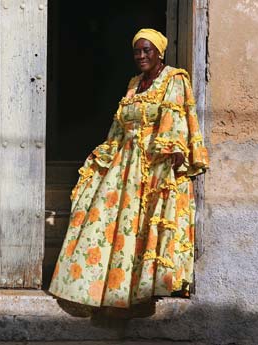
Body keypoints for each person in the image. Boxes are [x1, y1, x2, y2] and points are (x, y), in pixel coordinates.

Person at [48, 28, 209, 308]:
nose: (142, 55)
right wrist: (105, 153)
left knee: (145, 223)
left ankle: (141, 288)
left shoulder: (174, 78)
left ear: (160, 53)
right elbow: (120, 125)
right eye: (137, 50)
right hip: (126, 162)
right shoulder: (134, 84)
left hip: (155, 161)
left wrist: (173, 151)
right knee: (105, 218)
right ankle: (100, 287)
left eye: (148, 50)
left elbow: (176, 117)